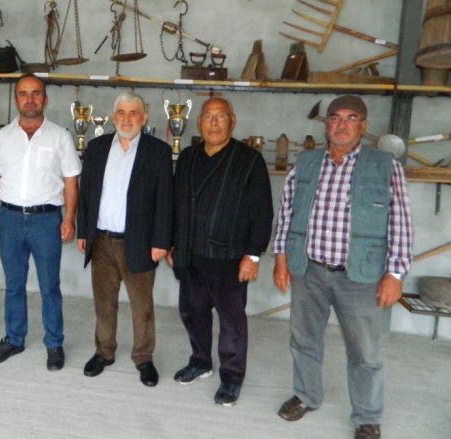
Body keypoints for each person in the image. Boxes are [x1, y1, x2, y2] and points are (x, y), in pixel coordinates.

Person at [272, 95, 413, 439]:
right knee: (304, 340)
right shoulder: (306, 163)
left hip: (360, 276)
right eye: (335, 117)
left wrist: (395, 273)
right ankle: (306, 395)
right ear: (327, 124)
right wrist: (280, 258)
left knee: (364, 352)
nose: (342, 124)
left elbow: (401, 222)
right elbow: (287, 213)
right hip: (309, 270)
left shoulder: (385, 165)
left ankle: (367, 416)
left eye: (351, 118)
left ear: (363, 126)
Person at [167, 97, 273, 406]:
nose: (214, 122)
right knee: (193, 314)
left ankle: (232, 377)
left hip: (230, 258)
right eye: (208, 116)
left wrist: (253, 255)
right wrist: (173, 242)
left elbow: (262, 212)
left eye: (221, 116)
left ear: (232, 121)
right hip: (191, 254)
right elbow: (176, 202)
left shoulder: (249, 160)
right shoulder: (188, 157)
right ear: (199, 122)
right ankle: (200, 361)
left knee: (231, 322)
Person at [0, 74, 81, 371]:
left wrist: (70, 218)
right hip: (9, 218)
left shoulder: (60, 137)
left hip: (46, 220)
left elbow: (71, 180)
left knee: (50, 286)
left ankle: (54, 343)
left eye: (36, 93)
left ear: (45, 99)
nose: (30, 99)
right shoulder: (2, 137)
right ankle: (14, 339)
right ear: (16, 99)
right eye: (23, 93)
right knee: (14, 285)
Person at [76, 92, 173, 387]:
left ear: (144, 118)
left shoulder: (157, 151)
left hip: (140, 242)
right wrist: (83, 232)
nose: (127, 119)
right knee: (104, 303)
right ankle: (103, 352)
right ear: (113, 116)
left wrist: (161, 241)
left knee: (142, 307)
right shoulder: (97, 147)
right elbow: (86, 193)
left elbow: (165, 199)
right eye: (121, 112)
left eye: (133, 113)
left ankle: (143, 358)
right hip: (101, 241)